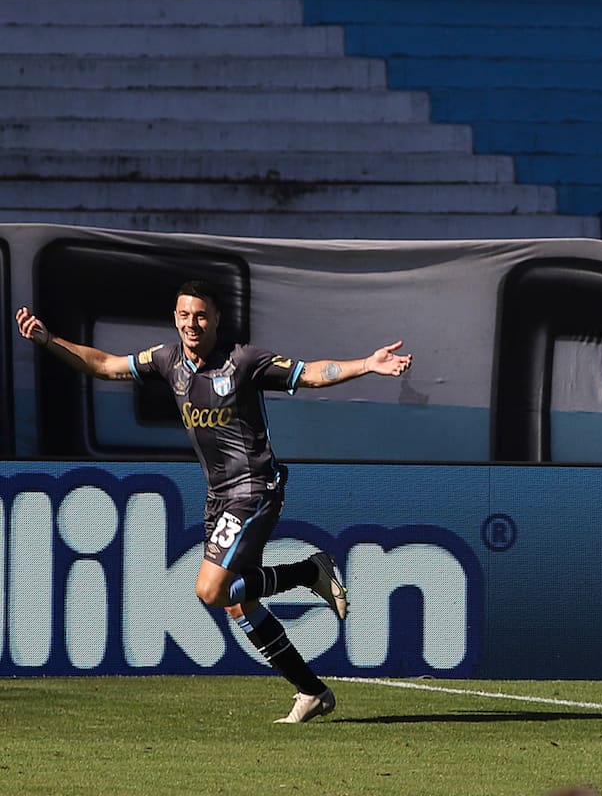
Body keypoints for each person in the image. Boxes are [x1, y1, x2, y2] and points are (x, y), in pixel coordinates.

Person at [14, 280, 413, 723]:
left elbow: (312, 372)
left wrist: (368, 364)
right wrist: (48, 341)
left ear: (217, 319)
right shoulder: (167, 361)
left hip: (254, 489)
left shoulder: (243, 362)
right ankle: (311, 691)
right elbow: (106, 365)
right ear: (175, 318)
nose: (192, 323)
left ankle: (306, 572)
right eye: (184, 315)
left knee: (209, 589)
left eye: (201, 315)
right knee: (235, 602)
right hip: (218, 496)